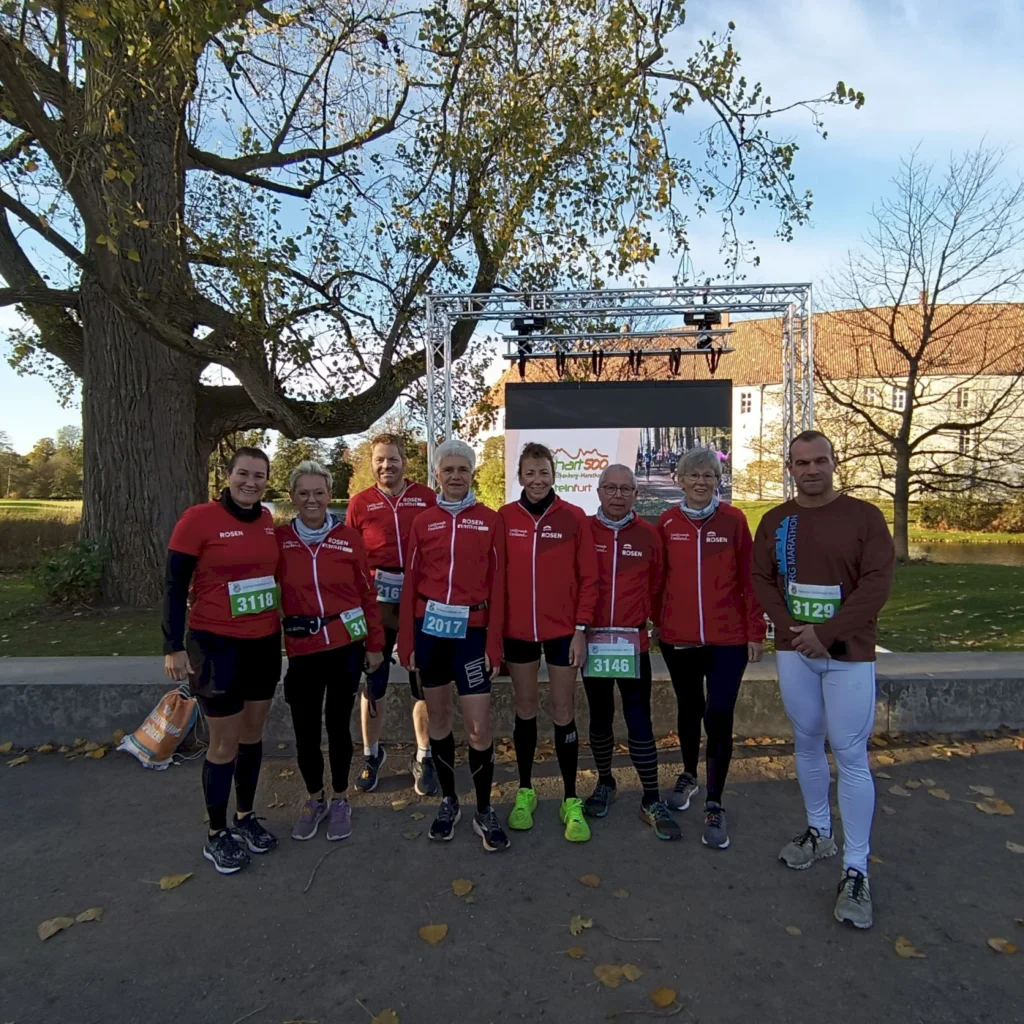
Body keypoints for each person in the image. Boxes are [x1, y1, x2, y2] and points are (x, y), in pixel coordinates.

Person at [752, 430, 894, 930]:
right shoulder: (776, 521)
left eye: (819, 461)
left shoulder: (865, 517)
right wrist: (793, 631)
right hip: (796, 651)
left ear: (834, 463)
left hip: (848, 653)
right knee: (807, 740)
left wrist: (826, 633)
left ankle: (856, 869)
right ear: (790, 467)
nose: (811, 469)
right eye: (801, 462)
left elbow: (877, 584)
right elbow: (762, 579)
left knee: (850, 754)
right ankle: (819, 832)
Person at [163, 447, 281, 875]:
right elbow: (174, 585)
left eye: (259, 476)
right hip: (216, 646)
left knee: (252, 736)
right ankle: (216, 833)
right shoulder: (198, 519)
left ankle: (245, 816)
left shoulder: (267, 521)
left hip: (264, 643)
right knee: (224, 743)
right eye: (243, 474)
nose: (251, 482)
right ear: (228, 476)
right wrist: (172, 645)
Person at [398, 439, 509, 851]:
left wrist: (493, 644)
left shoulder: (490, 520)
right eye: (448, 470)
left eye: (463, 469)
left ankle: (484, 809)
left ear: (472, 473)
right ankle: (449, 801)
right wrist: (406, 640)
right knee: (440, 720)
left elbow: (499, 585)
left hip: (472, 633)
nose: (456, 476)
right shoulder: (423, 521)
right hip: (430, 631)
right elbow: (411, 582)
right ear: (437, 474)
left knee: (479, 727)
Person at [655, 447, 765, 850]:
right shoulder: (667, 522)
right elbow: (657, 578)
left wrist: (756, 630)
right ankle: (688, 775)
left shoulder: (734, 520)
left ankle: (715, 801)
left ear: (718, 481)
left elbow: (750, 578)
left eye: (709, 476)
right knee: (689, 709)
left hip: (727, 639)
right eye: (694, 475)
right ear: (680, 480)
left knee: (718, 715)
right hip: (679, 638)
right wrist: (659, 621)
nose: (701, 482)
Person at [277, 461, 385, 841]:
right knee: (305, 731)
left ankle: (340, 797)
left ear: (329, 495)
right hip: (302, 649)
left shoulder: (349, 538)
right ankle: (314, 798)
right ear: (292, 497)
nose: (312, 500)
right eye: (303, 493)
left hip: (344, 647)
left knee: (338, 726)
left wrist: (375, 645)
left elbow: (367, 595)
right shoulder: (279, 540)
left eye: (319, 493)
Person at [499, 442, 598, 843]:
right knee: (525, 709)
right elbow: (495, 577)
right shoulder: (505, 517)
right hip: (518, 631)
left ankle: (570, 798)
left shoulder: (573, 517)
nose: (537, 480)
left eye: (544, 472)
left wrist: (580, 629)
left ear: (554, 475)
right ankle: (525, 790)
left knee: (562, 709)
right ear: (520, 476)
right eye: (530, 473)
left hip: (562, 631)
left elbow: (589, 577)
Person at [582, 464, 680, 840]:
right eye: (611, 488)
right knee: (600, 716)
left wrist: (650, 622)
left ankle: (651, 798)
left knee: (639, 720)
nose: (618, 495)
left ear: (636, 494)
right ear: (599, 491)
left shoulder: (649, 535)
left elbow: (657, 584)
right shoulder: (584, 531)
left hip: (632, 643)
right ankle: (605, 782)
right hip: (593, 642)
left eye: (626, 489)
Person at [346, 434, 437, 796]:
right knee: (374, 680)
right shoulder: (360, 503)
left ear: (404, 462)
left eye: (393, 459)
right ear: (371, 464)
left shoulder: (426, 497)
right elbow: (349, 556)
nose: (387, 466)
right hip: (377, 604)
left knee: (423, 680)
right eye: (380, 460)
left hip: (419, 600)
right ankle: (371, 754)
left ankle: (424, 755)